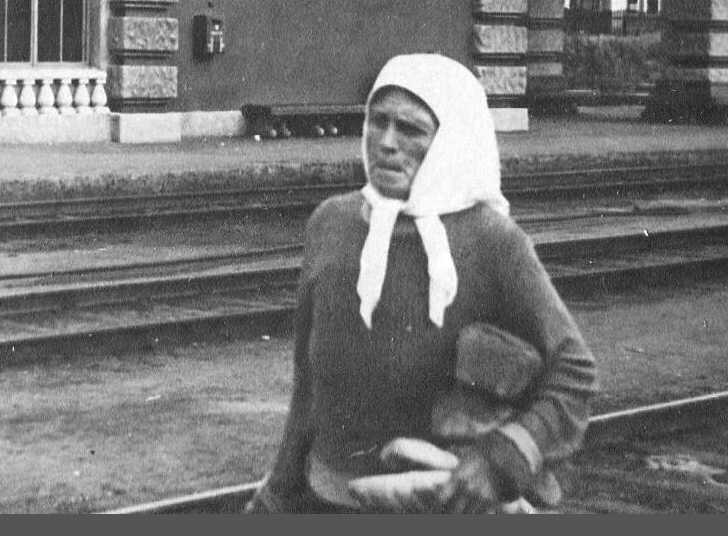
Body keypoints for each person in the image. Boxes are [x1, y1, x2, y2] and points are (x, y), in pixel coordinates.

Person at [247, 53, 598, 514]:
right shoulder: (330, 224)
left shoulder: (492, 240)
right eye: (378, 121)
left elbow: (575, 372)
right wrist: (278, 492)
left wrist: (503, 458)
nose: (386, 143)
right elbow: (308, 384)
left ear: (451, 141)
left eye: (410, 129)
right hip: (327, 499)